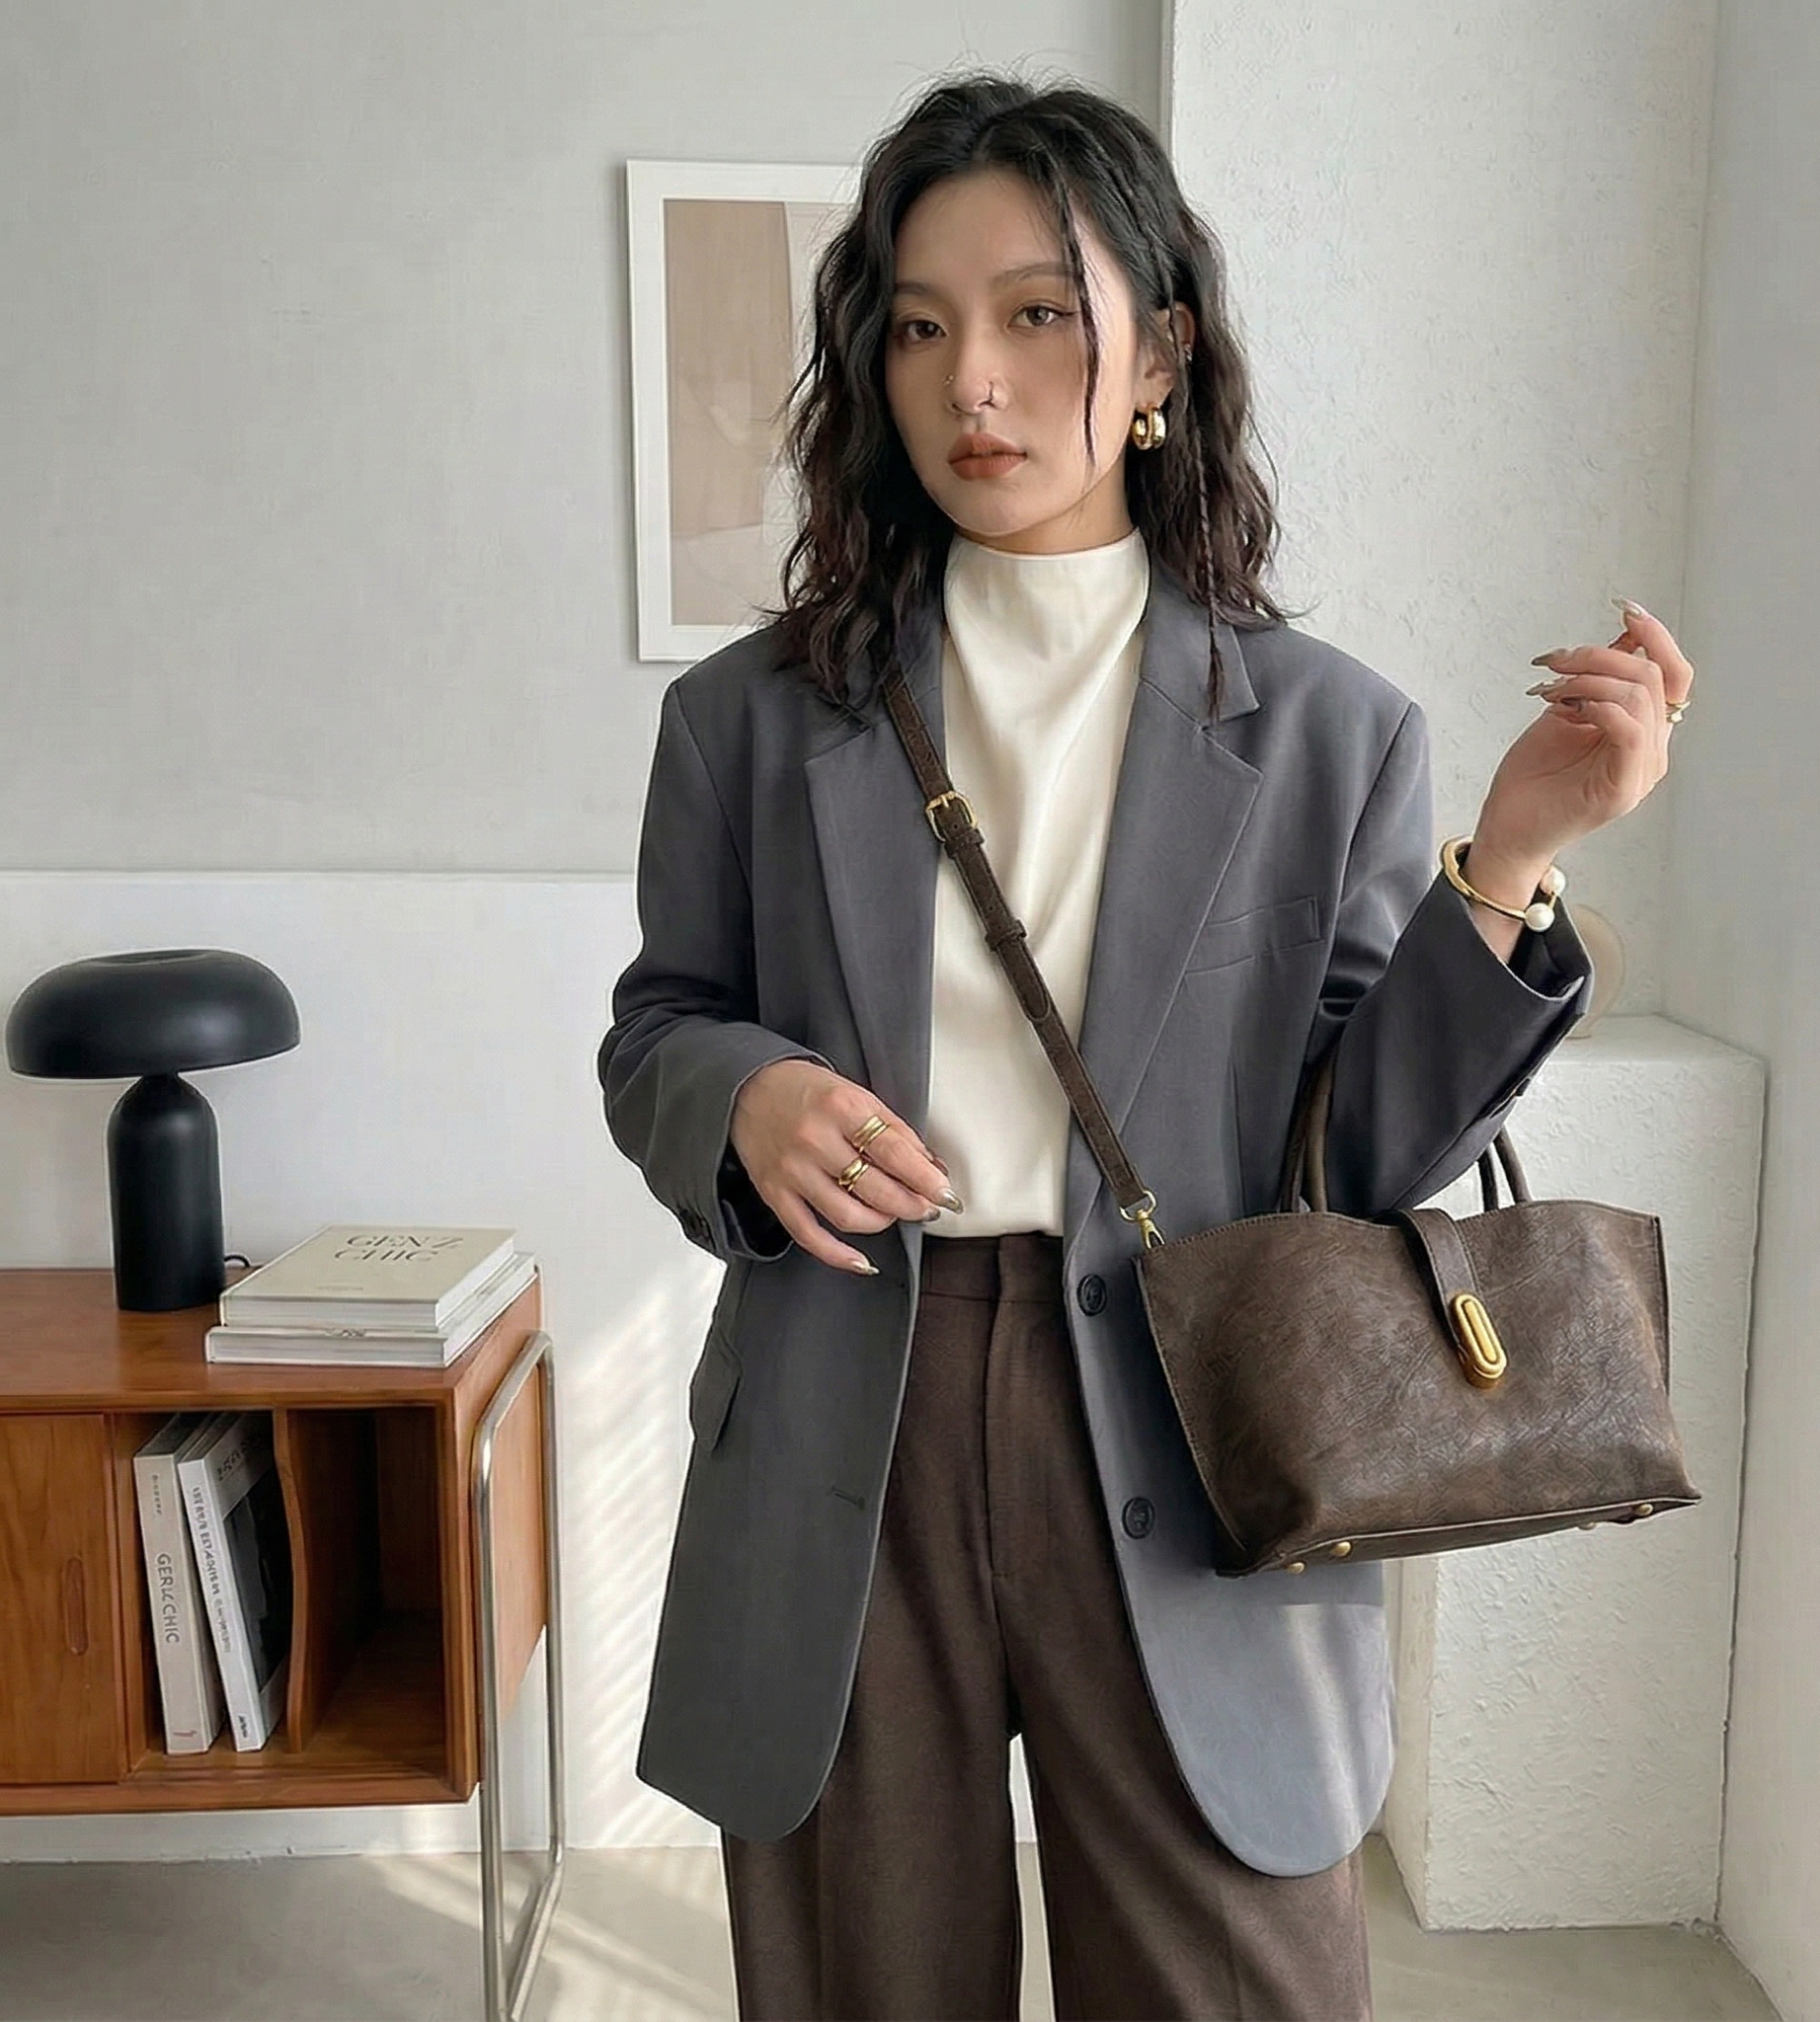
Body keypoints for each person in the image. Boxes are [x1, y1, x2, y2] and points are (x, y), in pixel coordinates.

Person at [597, 71, 1693, 2022]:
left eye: (1037, 313)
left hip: (1201, 1423)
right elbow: (659, 1029)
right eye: (918, 326)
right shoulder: (752, 725)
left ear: (1161, 351)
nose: (974, 383)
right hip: (860, 1404)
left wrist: (1513, 856)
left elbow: (1358, 1166)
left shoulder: (1329, 734)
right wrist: (740, 1096)